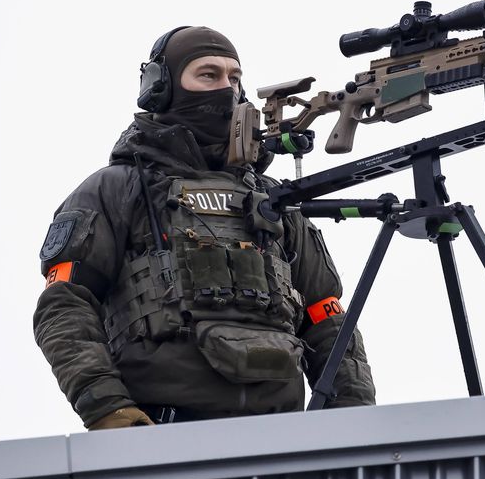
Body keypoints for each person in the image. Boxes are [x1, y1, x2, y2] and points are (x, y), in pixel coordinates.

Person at [33, 26, 376, 430]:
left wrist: (351, 421)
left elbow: (327, 317)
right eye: (208, 75)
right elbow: (65, 305)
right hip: (160, 437)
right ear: (161, 89)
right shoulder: (114, 190)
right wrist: (108, 410)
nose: (227, 90)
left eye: (234, 78)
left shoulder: (273, 201)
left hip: (285, 440)